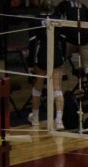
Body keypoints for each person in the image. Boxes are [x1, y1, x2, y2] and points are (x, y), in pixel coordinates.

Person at [27, 0, 66, 129]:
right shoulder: (58, 19)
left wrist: (30, 64)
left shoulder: (35, 20)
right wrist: (63, 56)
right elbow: (64, 40)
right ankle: (59, 120)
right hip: (56, 55)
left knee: (37, 87)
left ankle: (36, 118)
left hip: (42, 56)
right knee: (57, 88)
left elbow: (32, 44)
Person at [54, 1, 88, 76]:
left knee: (58, 60)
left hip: (72, 39)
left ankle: (57, 82)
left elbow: (54, 19)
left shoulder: (64, 5)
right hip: (82, 39)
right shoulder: (82, 6)